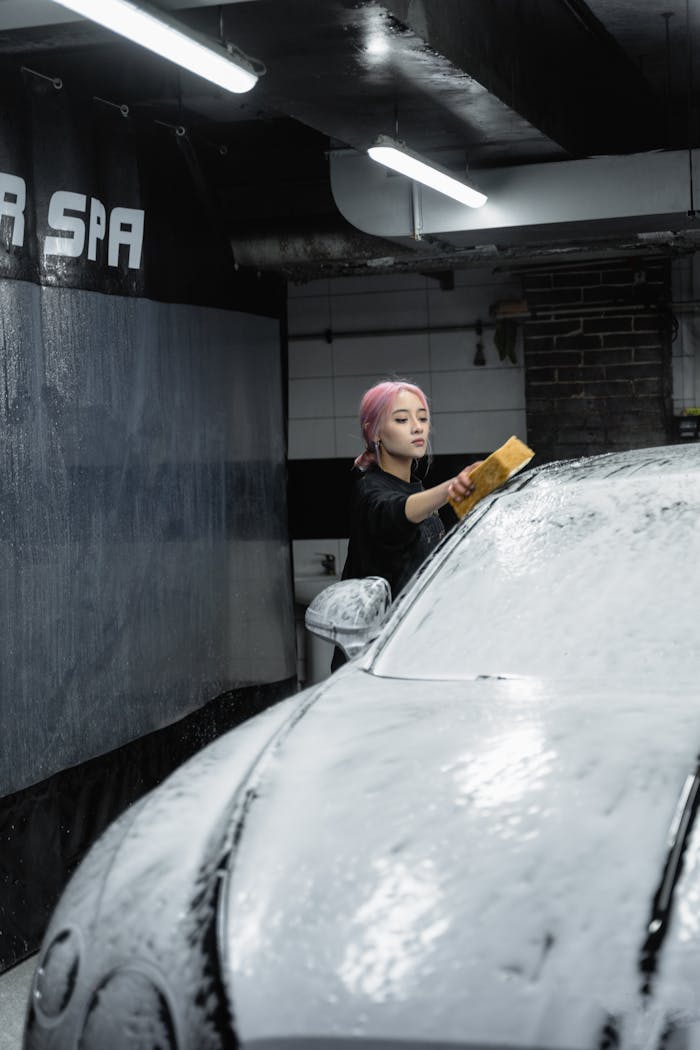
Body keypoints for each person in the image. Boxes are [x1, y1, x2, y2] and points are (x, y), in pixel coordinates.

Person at [331, 379, 482, 670]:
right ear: (375, 433)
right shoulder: (369, 491)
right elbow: (395, 512)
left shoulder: (415, 489)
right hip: (373, 664)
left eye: (422, 418)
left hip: (416, 650)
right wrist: (452, 487)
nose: (417, 427)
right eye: (402, 419)